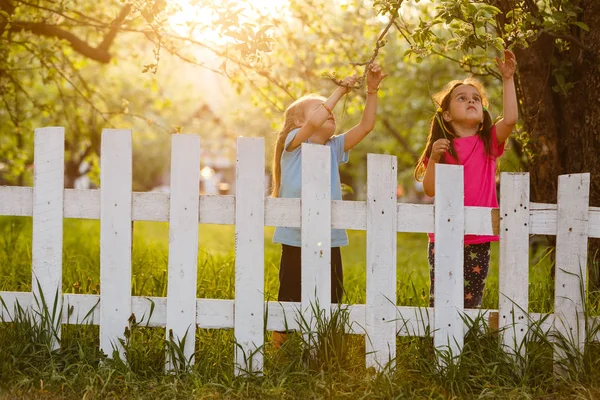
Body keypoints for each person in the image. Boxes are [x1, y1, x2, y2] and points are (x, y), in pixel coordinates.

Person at [271, 63, 388, 348]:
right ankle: (282, 347)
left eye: (330, 108)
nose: (329, 110)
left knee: (333, 293)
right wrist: (340, 90)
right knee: (289, 293)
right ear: (298, 122)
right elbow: (314, 123)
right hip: (295, 235)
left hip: (328, 234)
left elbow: (366, 126)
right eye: (320, 107)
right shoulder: (292, 144)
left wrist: (371, 90)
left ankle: (327, 343)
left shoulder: (333, 147)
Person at [414, 50, 518, 308]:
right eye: (462, 98)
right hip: (444, 233)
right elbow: (428, 190)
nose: (471, 101)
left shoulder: (488, 143)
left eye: (476, 99)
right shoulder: (441, 148)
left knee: (471, 301)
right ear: (446, 114)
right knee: (441, 297)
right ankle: (439, 343)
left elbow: (512, 119)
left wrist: (508, 79)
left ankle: (467, 341)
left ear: (483, 114)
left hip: (478, 234)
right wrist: (435, 159)